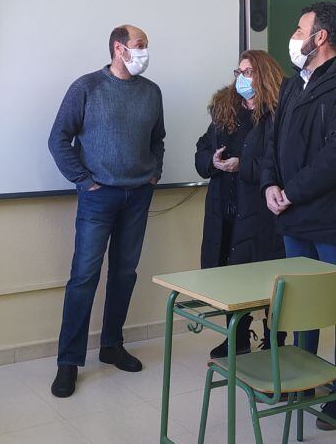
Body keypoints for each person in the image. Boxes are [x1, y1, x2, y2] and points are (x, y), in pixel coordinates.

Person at [261, 1, 336, 429]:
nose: (294, 35)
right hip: (293, 214)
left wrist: (290, 191)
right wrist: (270, 184)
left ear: (320, 37)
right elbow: (273, 142)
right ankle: (300, 377)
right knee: (300, 302)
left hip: (332, 217)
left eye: (299, 28)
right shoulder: (296, 83)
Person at [47, 24, 165, 398]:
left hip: (138, 196)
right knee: (84, 277)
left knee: (125, 273)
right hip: (98, 196)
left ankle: (112, 345)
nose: (145, 52)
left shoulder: (152, 92)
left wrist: (154, 173)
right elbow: (58, 138)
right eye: (140, 45)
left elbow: (158, 139)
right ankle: (69, 361)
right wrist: (83, 180)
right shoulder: (86, 87)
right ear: (119, 48)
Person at [194, 49, 286, 357]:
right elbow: (202, 151)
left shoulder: (278, 114)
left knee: (264, 276)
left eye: (248, 72)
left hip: (259, 212)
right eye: (239, 72)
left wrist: (241, 165)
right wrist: (212, 160)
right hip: (224, 208)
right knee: (228, 273)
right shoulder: (225, 110)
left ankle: (275, 338)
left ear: (264, 76)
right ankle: (238, 335)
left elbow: (280, 165)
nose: (241, 78)